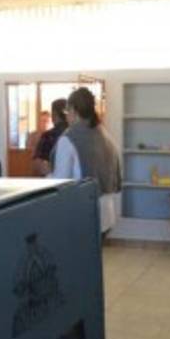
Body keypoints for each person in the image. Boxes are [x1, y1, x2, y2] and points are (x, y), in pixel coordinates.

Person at [51, 88, 122, 233]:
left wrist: (47, 174)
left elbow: (59, 182)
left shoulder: (69, 138)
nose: (66, 117)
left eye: (67, 112)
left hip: (84, 212)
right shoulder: (104, 134)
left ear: (74, 111)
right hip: (107, 213)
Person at [32, 99, 68, 177]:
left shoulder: (48, 136)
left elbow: (38, 164)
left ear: (54, 114)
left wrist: (55, 170)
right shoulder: (77, 135)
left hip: (53, 183)